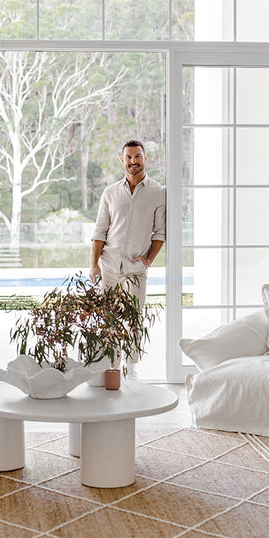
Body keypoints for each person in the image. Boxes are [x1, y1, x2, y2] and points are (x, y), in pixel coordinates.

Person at [90, 139, 166, 378]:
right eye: (129, 157)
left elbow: (159, 233)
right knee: (109, 318)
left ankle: (131, 368)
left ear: (145, 158)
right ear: (122, 160)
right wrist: (93, 265)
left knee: (134, 318)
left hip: (135, 270)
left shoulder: (158, 193)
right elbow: (100, 230)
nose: (134, 161)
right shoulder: (110, 192)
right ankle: (112, 365)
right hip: (109, 267)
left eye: (138, 156)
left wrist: (149, 259)